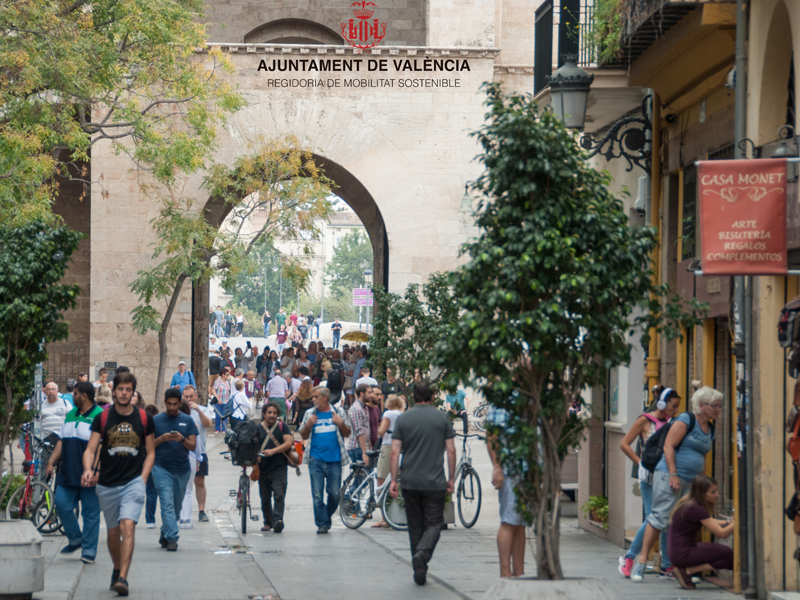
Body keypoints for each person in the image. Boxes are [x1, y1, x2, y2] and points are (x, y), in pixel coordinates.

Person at [631, 386, 722, 583]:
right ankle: (640, 562)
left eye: (720, 406)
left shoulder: (711, 428)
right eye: (715, 406)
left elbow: (702, 456)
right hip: (669, 476)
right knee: (659, 518)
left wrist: (703, 484)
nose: (718, 410)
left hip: (692, 482)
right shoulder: (686, 420)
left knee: (682, 523)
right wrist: (673, 474)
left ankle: (675, 568)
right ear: (702, 406)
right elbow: (668, 446)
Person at [83, 371, 155, 596]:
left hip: (133, 482)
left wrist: (142, 479)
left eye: (128, 389)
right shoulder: (102, 418)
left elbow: (151, 452)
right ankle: (116, 568)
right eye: (120, 389)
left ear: (133, 392)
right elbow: (91, 449)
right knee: (113, 534)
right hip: (106, 484)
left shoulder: (144, 418)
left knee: (128, 526)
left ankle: (123, 577)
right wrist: (87, 469)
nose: (124, 393)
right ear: (113, 391)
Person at [390, 381, 456, 585]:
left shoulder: (403, 419)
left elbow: (395, 450)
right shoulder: (442, 417)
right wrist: (451, 477)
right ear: (432, 396)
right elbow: (451, 450)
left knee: (415, 525)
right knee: (434, 523)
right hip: (434, 480)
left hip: (410, 480)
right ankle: (423, 553)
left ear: (412, 397)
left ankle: (419, 566)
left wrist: (393, 479)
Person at [618, 386, 681, 578]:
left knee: (666, 519)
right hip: (650, 477)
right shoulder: (644, 420)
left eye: (677, 407)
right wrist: (640, 464)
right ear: (662, 404)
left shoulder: (673, 422)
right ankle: (628, 558)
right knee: (653, 518)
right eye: (673, 406)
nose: (676, 410)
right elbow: (624, 444)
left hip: (667, 476)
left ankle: (666, 565)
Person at [46, 382, 103, 564]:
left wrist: (96, 471)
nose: (73, 396)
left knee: (90, 514)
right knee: (61, 504)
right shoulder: (70, 414)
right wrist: (51, 461)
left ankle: (89, 550)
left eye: (76, 393)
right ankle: (76, 539)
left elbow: (102, 447)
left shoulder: (100, 416)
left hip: (89, 474)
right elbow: (62, 441)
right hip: (68, 472)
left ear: (84, 396)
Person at [300, 386, 351, 534]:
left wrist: (340, 423)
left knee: (335, 494)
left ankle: (325, 517)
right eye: (313, 397)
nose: (313, 400)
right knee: (317, 495)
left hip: (335, 460)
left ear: (325, 397)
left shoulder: (338, 412)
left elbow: (347, 433)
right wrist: (308, 425)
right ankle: (322, 524)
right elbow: (303, 435)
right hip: (315, 459)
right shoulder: (310, 413)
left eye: (316, 397)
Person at [668, 474, 735, 589]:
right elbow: (722, 534)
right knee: (729, 555)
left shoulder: (688, 501)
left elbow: (709, 521)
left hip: (677, 551)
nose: (717, 495)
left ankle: (686, 569)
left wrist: (728, 522)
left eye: (716, 491)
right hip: (683, 553)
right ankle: (688, 570)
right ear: (701, 493)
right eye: (713, 492)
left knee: (720, 552)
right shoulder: (697, 508)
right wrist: (737, 522)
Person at [151, 388, 198, 551]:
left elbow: (193, 446)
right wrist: (162, 439)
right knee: (166, 503)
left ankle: (165, 531)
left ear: (179, 403)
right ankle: (172, 538)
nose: (171, 407)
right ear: (165, 402)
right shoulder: (156, 421)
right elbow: (148, 445)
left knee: (177, 506)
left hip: (182, 469)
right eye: (169, 404)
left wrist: (182, 438)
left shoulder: (188, 420)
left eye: (174, 404)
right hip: (161, 467)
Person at [485, 402, 526, 578]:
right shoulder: (503, 401)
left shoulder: (531, 397)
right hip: (512, 470)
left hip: (527, 471)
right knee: (509, 521)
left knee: (520, 523)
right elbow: (491, 436)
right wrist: (497, 466)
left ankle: (519, 573)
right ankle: (505, 573)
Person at [179, 385, 214, 526]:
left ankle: (201, 511)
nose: (188, 399)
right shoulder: (180, 411)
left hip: (200, 452)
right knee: (182, 484)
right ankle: (182, 513)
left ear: (196, 396)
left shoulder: (203, 409)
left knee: (199, 482)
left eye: (191, 396)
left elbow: (208, 424)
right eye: (186, 397)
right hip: (183, 452)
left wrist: (198, 410)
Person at [258, 401, 293, 532]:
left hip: (279, 466)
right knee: (265, 496)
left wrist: (272, 451)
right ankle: (268, 521)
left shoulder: (282, 426)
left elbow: (288, 443)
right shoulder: (258, 428)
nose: (272, 415)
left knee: (279, 494)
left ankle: (278, 520)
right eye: (269, 413)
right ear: (263, 414)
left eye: (274, 413)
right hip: (263, 468)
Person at [372, 394, 406, 528]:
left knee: (381, 480)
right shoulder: (404, 414)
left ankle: (384, 518)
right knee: (397, 479)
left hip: (388, 447)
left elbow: (381, 430)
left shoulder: (389, 413)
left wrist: (380, 429)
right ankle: (395, 516)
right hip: (402, 448)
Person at [39, 381, 73, 465]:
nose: (51, 391)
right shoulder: (41, 405)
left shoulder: (65, 403)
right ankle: (44, 477)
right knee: (43, 463)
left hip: (61, 437)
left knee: (62, 463)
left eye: (53, 389)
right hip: (45, 437)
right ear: (45, 391)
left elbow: (71, 418)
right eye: (48, 389)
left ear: (57, 391)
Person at [143, 404, 160, 529]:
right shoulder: (157, 426)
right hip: (153, 460)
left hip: (139, 460)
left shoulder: (140, 425)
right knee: (151, 491)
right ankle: (150, 520)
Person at [346, 384, 372, 465]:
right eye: (369, 393)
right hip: (357, 448)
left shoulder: (365, 407)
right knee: (360, 476)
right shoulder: (356, 409)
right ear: (361, 393)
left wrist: (369, 448)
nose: (371, 395)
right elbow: (360, 432)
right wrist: (364, 452)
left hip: (363, 448)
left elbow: (366, 429)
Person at [212, 368, 232, 434]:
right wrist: (217, 399)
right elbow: (213, 390)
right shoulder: (217, 382)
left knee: (225, 415)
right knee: (218, 415)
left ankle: (224, 429)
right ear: (223, 375)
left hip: (226, 400)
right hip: (218, 401)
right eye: (227, 374)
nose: (228, 376)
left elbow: (229, 390)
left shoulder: (228, 382)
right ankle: (217, 429)